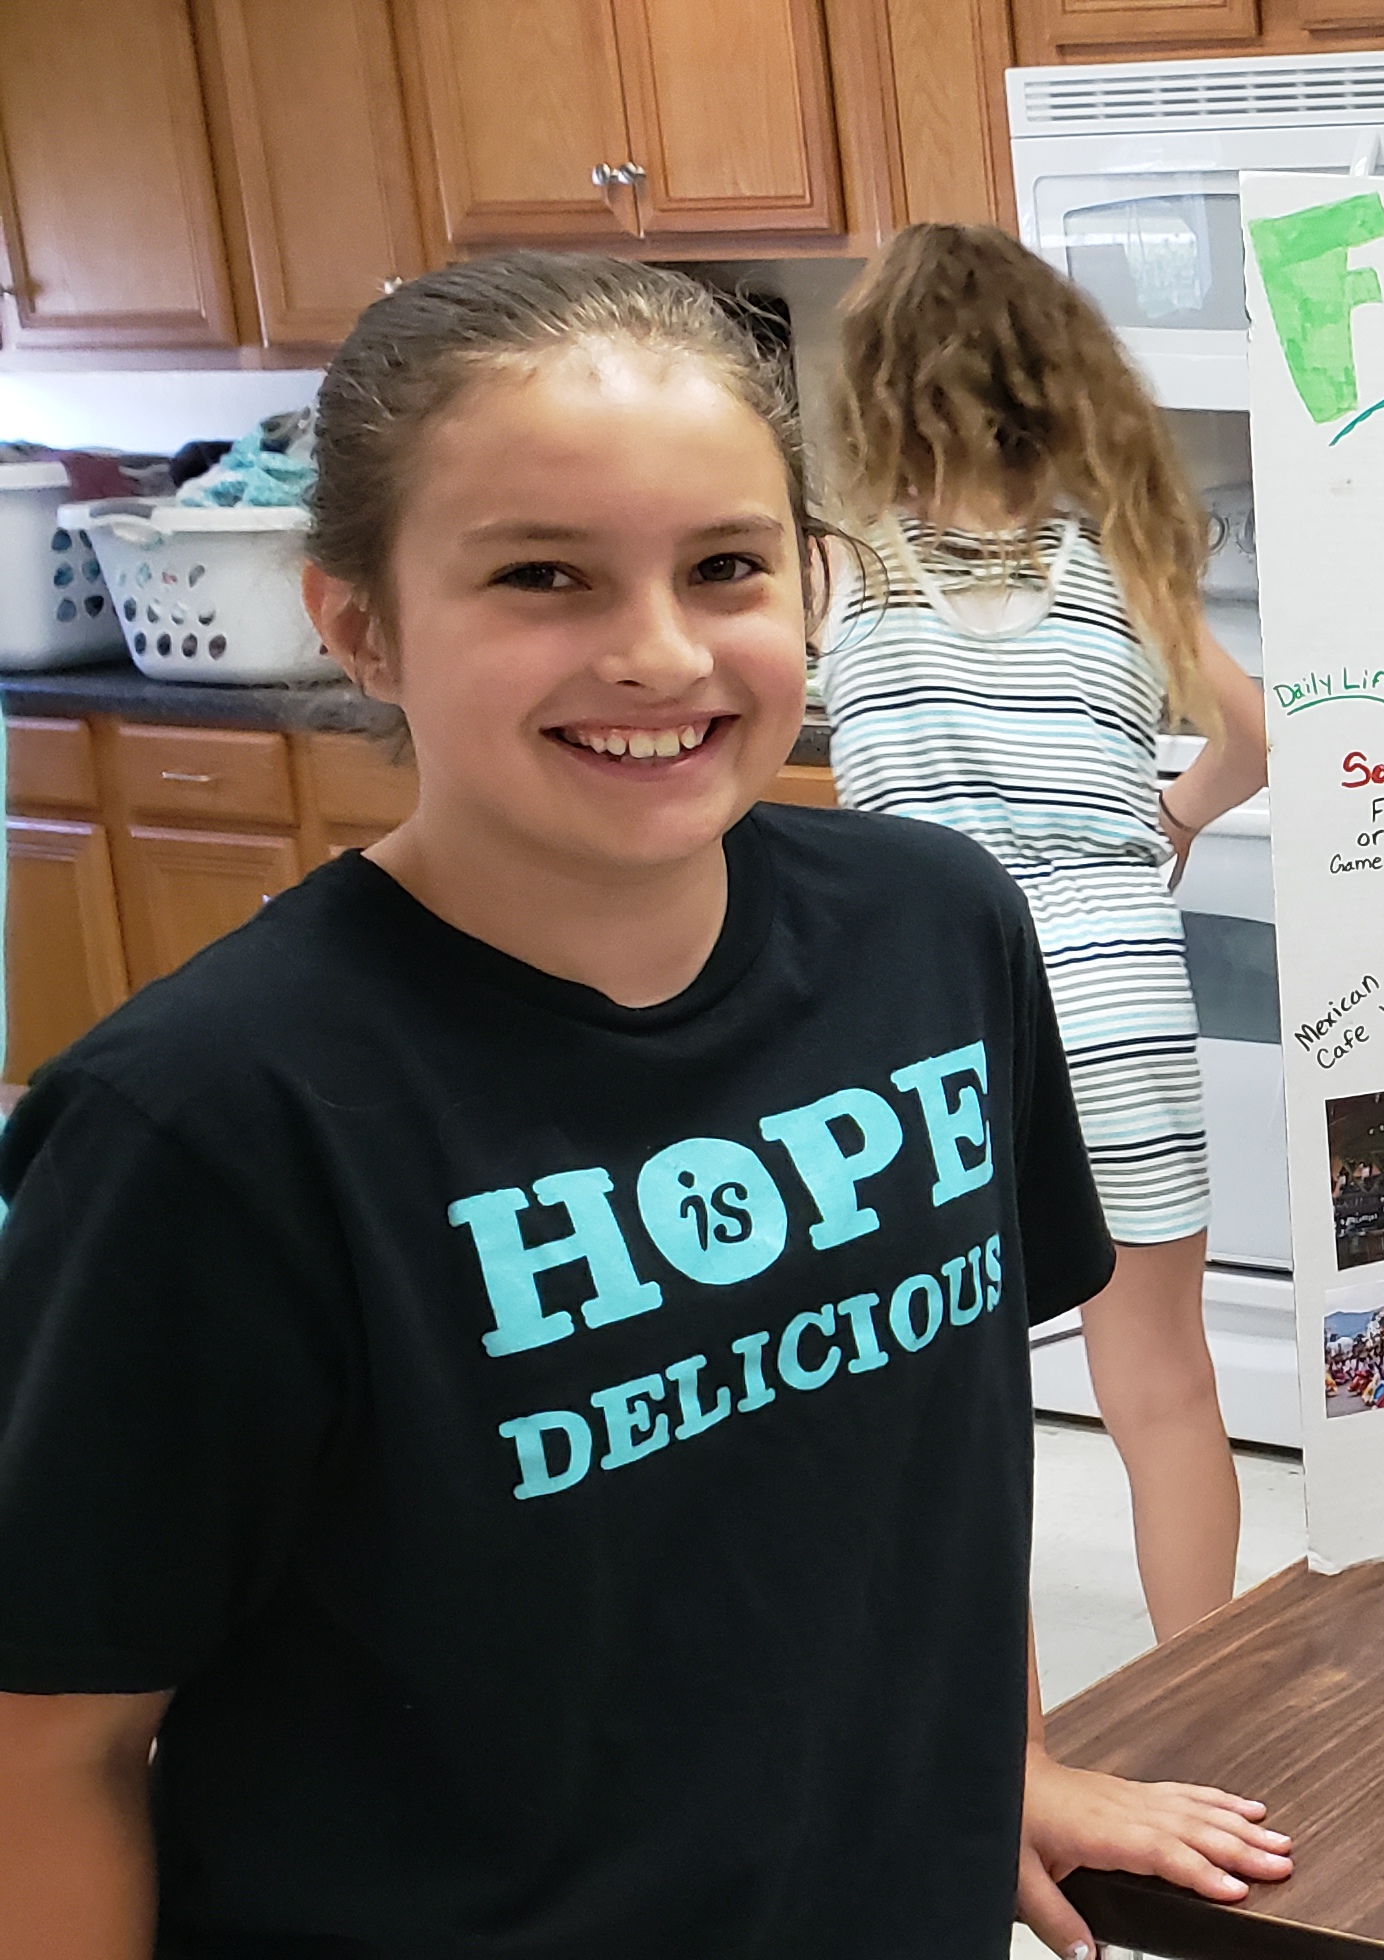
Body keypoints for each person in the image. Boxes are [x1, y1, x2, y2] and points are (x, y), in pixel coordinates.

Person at [0, 253, 1284, 1960]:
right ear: (357, 622)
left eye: (727, 567)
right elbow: (48, 1750)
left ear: (812, 584)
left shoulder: (936, 934)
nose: (661, 652)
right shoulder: (209, 1123)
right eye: (545, 575)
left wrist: (996, 1761)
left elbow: (932, 1473)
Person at [819, 224, 1270, 1639]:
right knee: (1165, 1383)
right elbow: (1256, 739)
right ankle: (1211, 1704)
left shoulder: (837, 575)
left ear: (880, 395)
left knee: (967, 1398)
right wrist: (1175, 819)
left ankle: (1013, 1763)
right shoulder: (1121, 564)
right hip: (1119, 988)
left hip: (933, 1003)